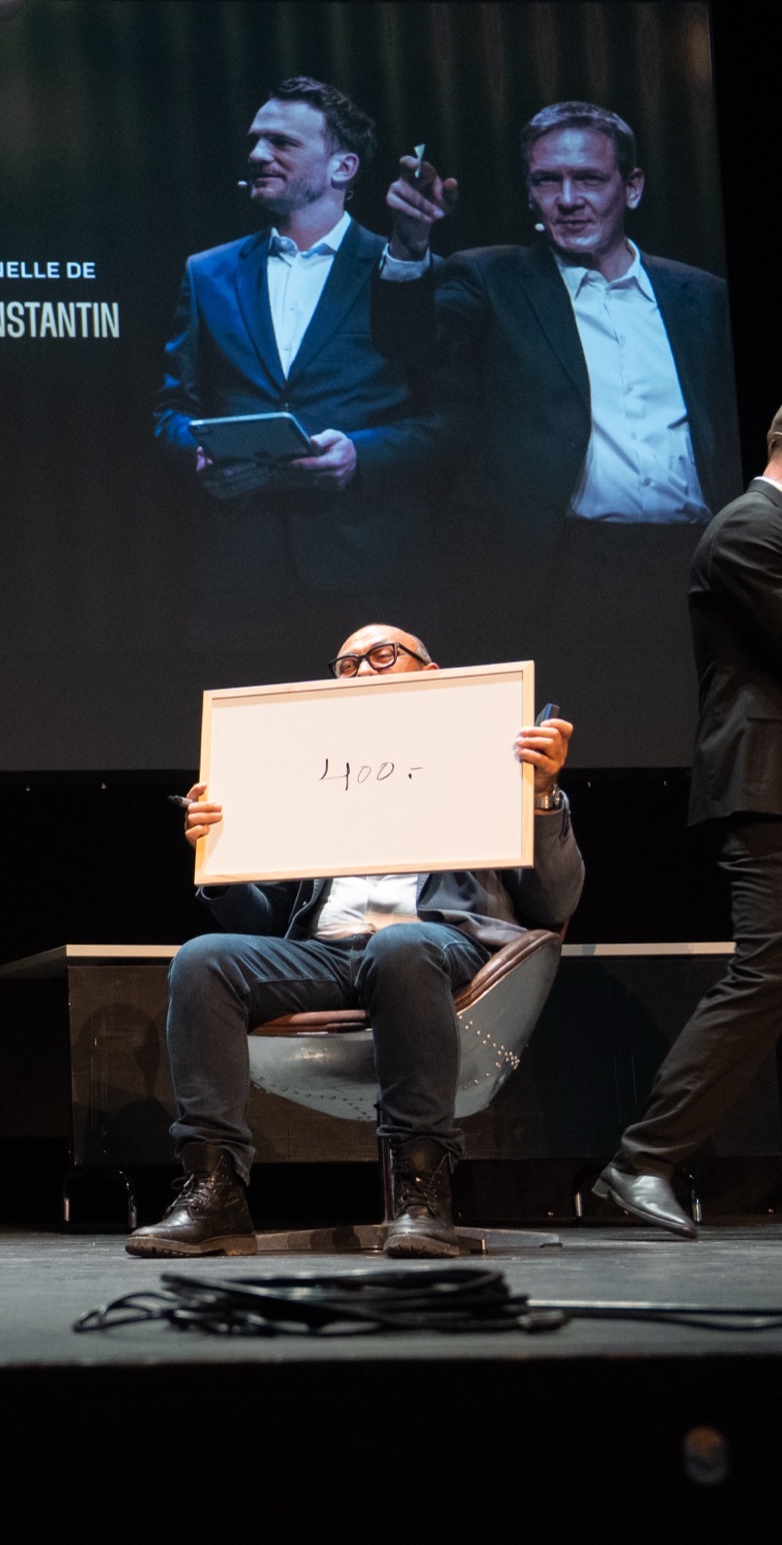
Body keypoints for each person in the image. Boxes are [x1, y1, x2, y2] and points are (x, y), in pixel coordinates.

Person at [129, 623, 582, 1259]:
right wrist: (222, 860)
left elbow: (555, 903)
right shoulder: (317, 778)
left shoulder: (487, 759)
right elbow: (269, 919)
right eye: (346, 665)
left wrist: (542, 795)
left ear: (430, 673)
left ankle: (422, 1190)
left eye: (381, 655)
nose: (362, 670)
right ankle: (215, 1190)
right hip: (329, 955)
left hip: (441, 949)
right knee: (203, 961)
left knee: (399, 947)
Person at [376, 101, 738, 752]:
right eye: (548, 180)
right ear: (529, 192)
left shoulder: (702, 295)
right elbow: (409, 345)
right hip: (564, 573)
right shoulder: (490, 278)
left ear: (632, 186)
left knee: (695, 755)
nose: (568, 200)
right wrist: (409, 244)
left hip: (693, 570)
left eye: (589, 179)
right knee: (569, 761)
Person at [154, 77, 443, 646]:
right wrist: (200, 453)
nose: (259, 155)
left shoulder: (403, 269)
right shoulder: (207, 272)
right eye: (255, 141)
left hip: (370, 575)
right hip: (240, 577)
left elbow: (448, 420)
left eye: (282, 143)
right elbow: (172, 410)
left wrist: (360, 454)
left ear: (343, 167)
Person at [590, 409, 782, 1237]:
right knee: (770, 969)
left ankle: (648, 1158)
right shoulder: (747, 528)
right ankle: (644, 1159)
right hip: (767, 785)